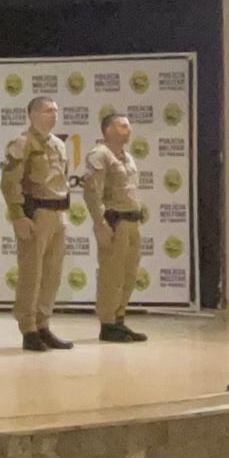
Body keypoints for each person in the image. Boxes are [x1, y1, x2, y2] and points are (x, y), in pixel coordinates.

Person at [0, 96, 74, 352]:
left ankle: (44, 324)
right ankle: (29, 328)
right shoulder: (22, 143)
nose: (53, 115)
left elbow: (62, 179)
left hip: (57, 212)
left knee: (52, 273)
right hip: (36, 213)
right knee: (32, 273)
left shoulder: (58, 144)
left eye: (55, 111)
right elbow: (10, 182)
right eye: (47, 111)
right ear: (32, 114)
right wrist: (18, 215)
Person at [83, 113, 149, 343]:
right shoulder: (100, 155)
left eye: (128, 126)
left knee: (129, 274)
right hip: (115, 222)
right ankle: (108, 323)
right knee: (112, 274)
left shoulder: (127, 157)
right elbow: (92, 192)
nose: (128, 130)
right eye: (122, 126)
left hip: (132, 221)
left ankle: (119, 319)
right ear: (108, 130)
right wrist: (100, 223)